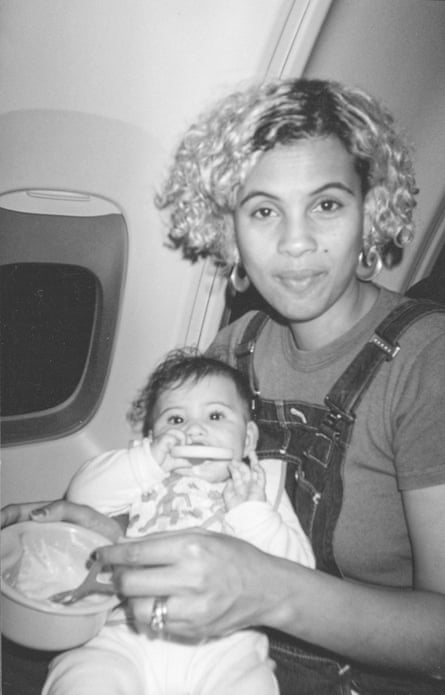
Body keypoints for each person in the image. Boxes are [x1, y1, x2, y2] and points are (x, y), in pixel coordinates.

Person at [2, 78, 445, 695]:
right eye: (264, 210)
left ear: (370, 211)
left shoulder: (429, 361)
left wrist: (263, 588)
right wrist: (95, 531)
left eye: (326, 204)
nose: (295, 241)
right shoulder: (235, 345)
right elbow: (185, 511)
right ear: (230, 230)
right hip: (191, 643)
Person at [40, 348, 315, 695]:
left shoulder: (261, 487)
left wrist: (254, 513)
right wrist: (146, 463)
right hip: (128, 630)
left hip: (227, 645)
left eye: (215, 416)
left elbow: (299, 573)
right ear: (152, 437)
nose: (194, 431)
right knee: (82, 677)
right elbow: (82, 495)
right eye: (176, 420)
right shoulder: (144, 474)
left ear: (247, 439)